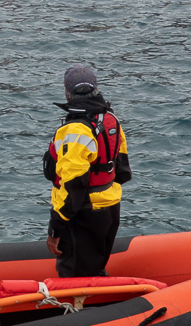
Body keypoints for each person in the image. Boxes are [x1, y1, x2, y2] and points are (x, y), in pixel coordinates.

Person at [43, 65, 132, 278]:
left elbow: (74, 185)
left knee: (73, 275)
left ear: (67, 92)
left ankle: (81, 310)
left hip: (83, 213)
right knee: (93, 269)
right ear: (95, 88)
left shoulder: (74, 129)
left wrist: (56, 228)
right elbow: (123, 170)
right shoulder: (111, 119)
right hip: (110, 207)